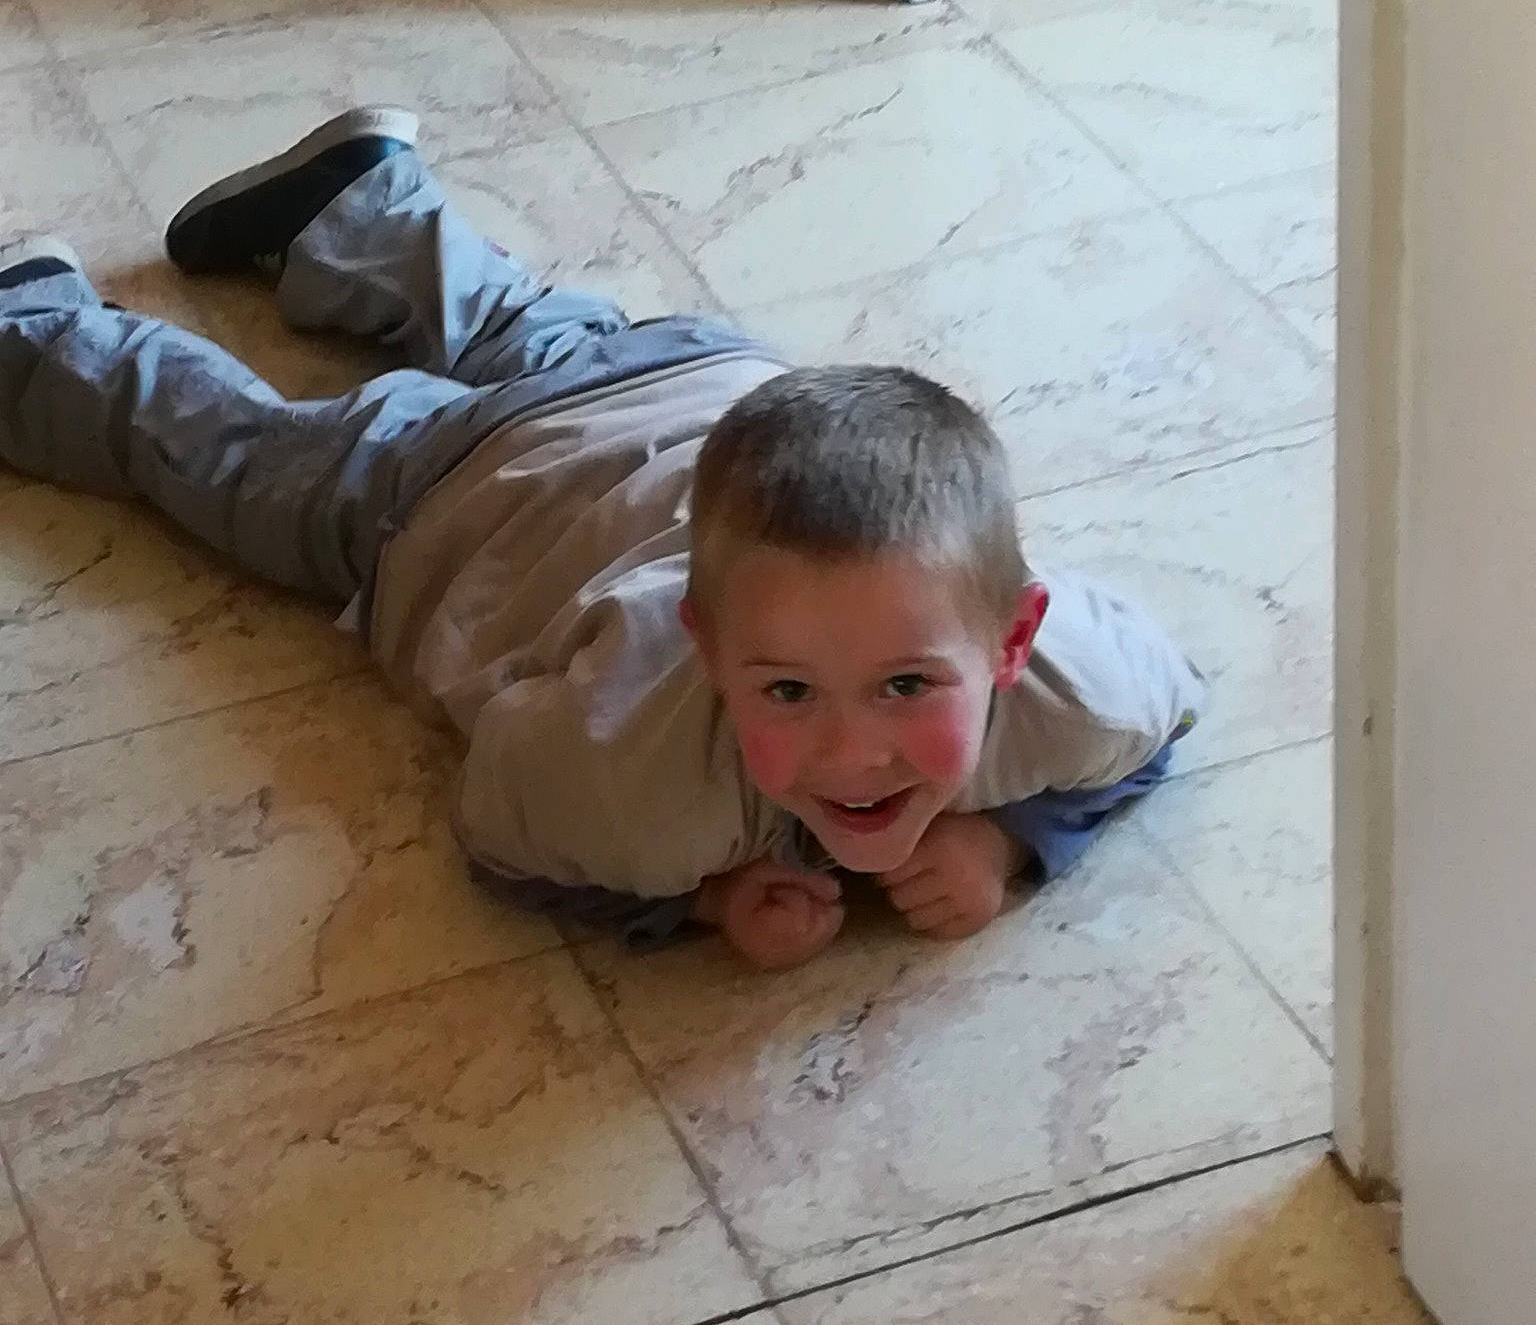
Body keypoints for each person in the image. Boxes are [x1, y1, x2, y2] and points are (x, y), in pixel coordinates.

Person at [0, 109, 1203, 970]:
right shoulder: (633, 786)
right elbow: (500, 823)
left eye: (904, 683)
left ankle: (358, 201)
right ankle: (38, 331)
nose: (852, 754)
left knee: (536, 333)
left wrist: (1007, 837)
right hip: (453, 490)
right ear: (702, 642)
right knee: (240, 460)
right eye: (787, 690)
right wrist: (702, 898)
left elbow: (1165, 712)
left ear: (1016, 635)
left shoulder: (1080, 689)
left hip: (700, 377)